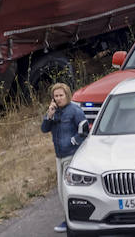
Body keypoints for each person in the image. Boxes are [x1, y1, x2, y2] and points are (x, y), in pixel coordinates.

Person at [41, 82, 87, 233]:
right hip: (58, 156)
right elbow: (44, 129)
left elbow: (84, 129)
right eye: (56, 96)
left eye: (61, 95)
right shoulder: (54, 111)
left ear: (67, 95)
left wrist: (73, 141)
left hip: (71, 155)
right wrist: (49, 115)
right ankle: (68, 218)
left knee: (68, 190)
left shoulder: (74, 110)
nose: (59, 98)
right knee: (61, 191)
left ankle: (71, 221)